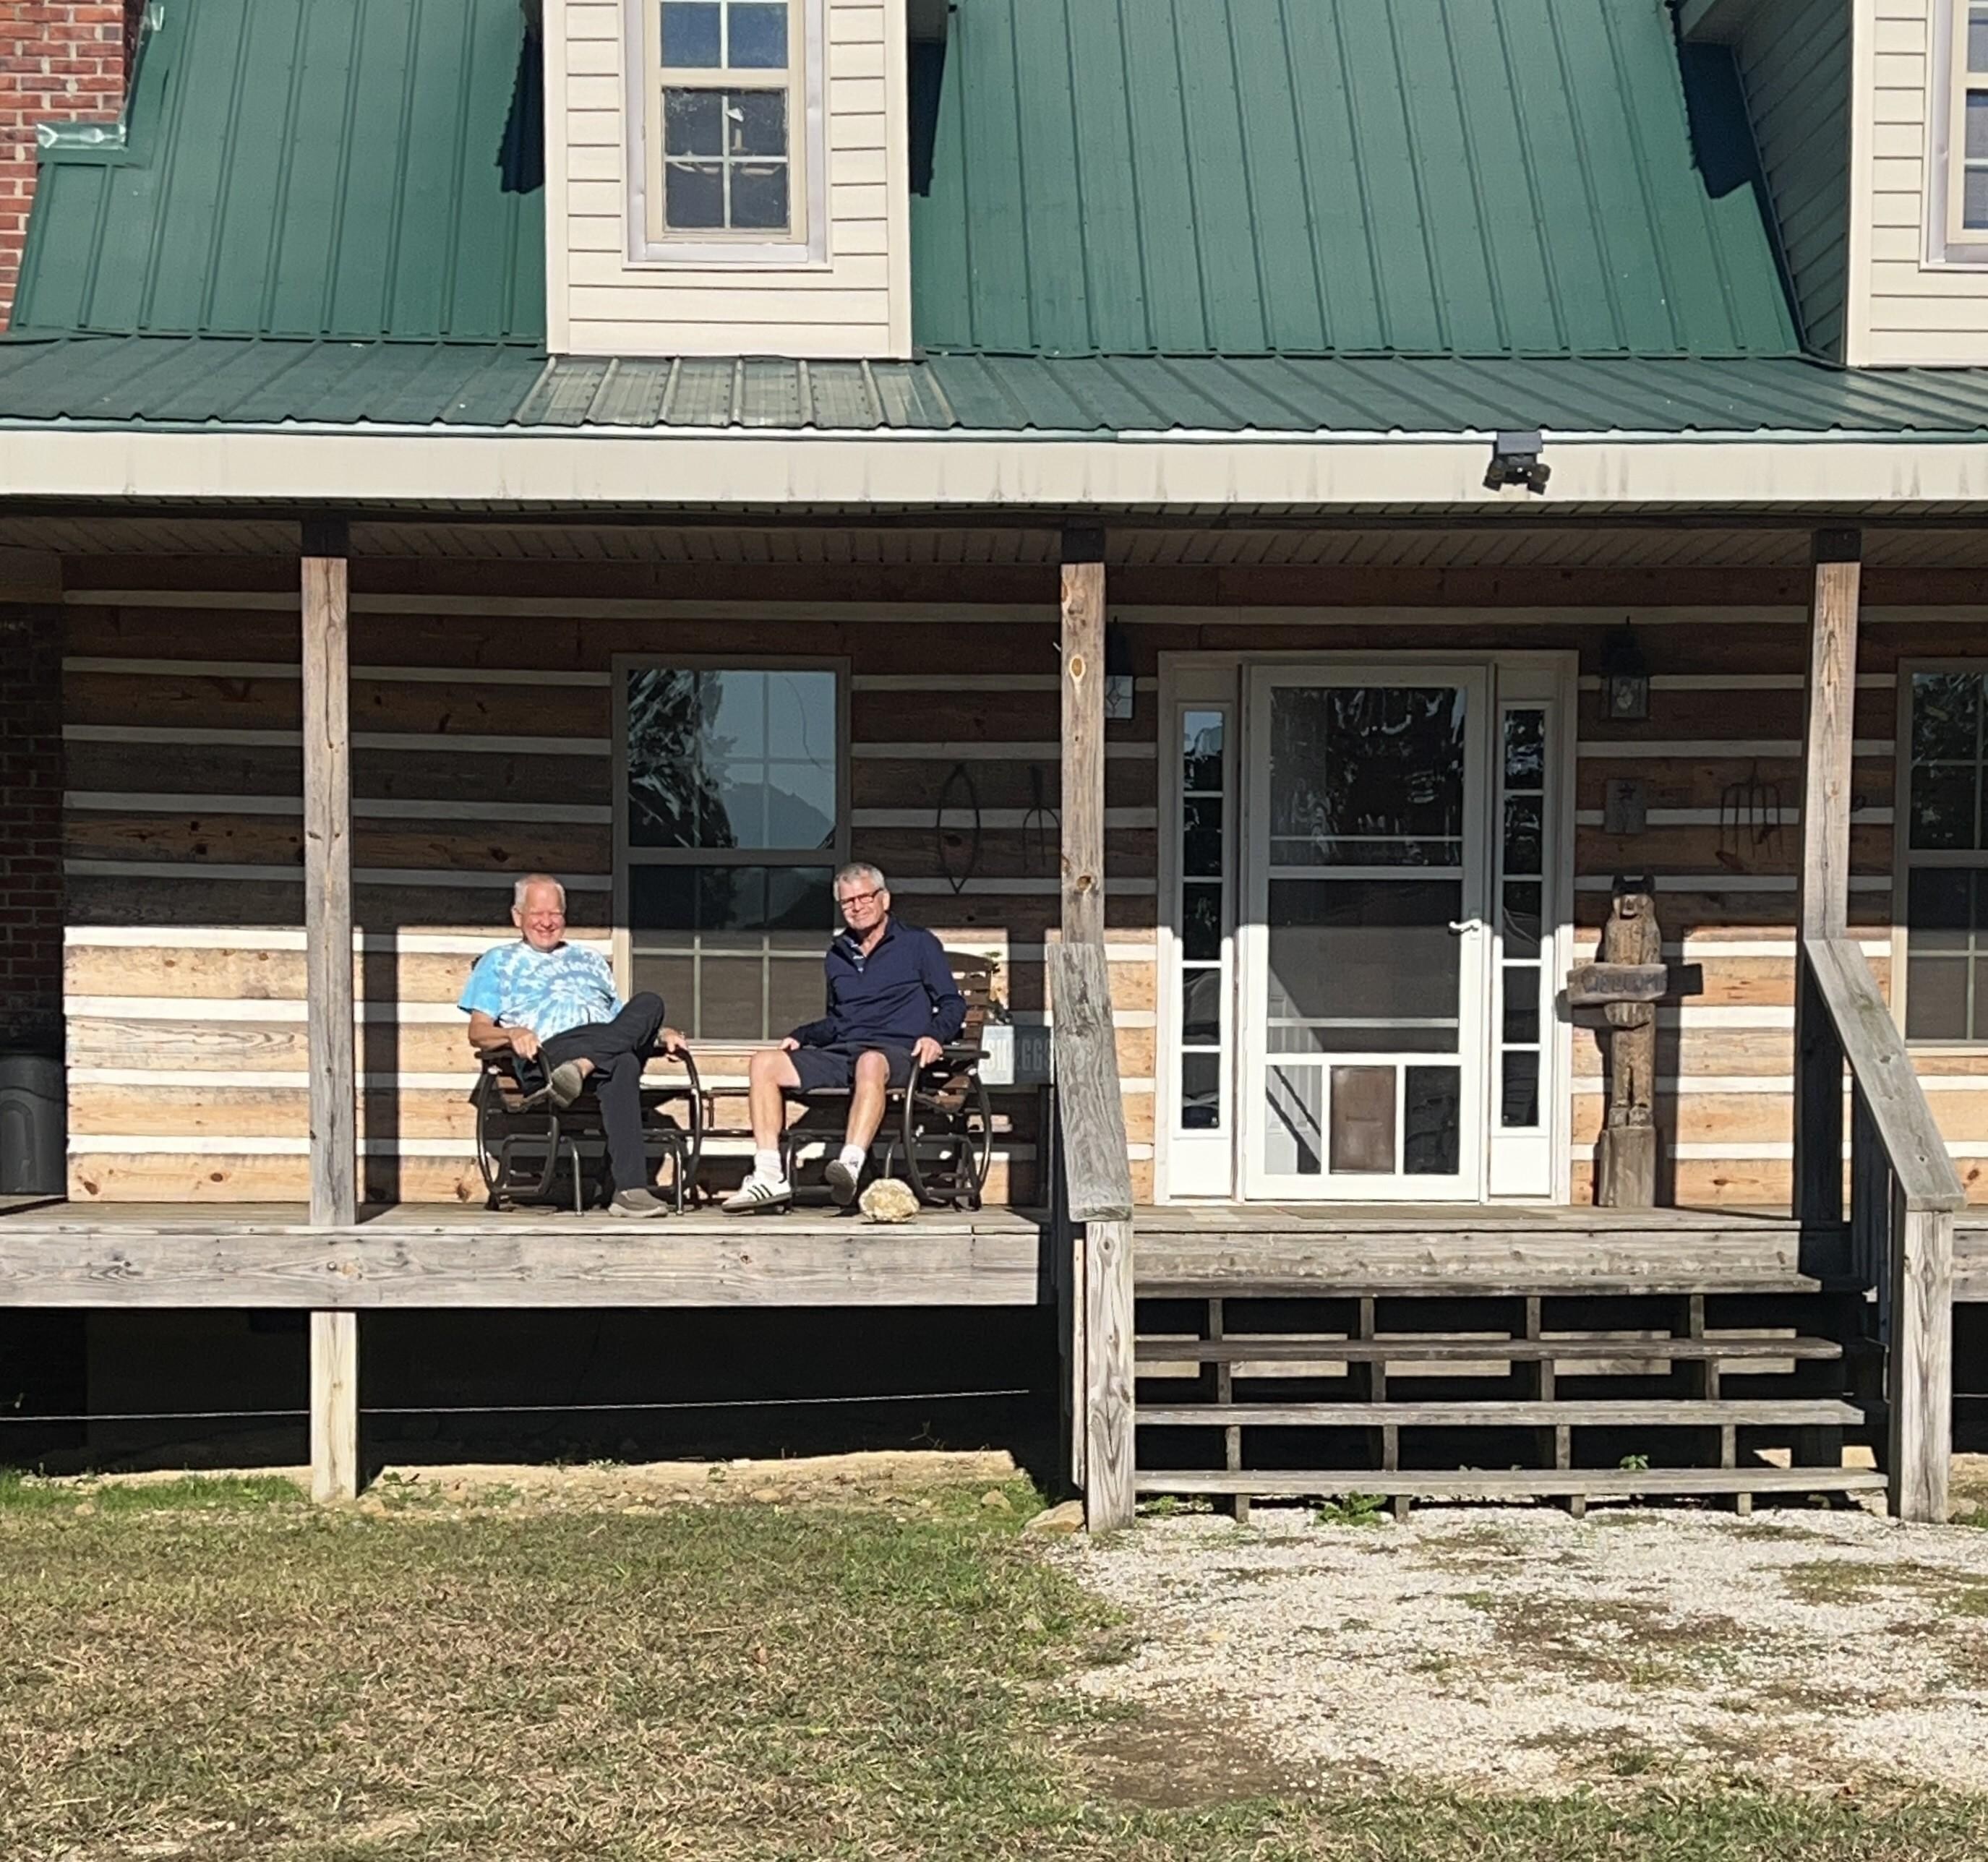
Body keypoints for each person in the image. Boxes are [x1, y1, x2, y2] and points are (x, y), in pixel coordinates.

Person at [723, 862, 965, 1213]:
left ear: (884, 899)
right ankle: (769, 1174)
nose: (857, 907)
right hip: (843, 1053)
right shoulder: (837, 954)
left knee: (870, 1062)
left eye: (864, 897)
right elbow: (838, 1021)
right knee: (765, 1063)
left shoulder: (917, 943)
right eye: (847, 901)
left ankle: (849, 1164)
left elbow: (951, 1003)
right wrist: (803, 1036)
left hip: (897, 1054)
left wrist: (934, 1036)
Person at [460, 873, 686, 1219]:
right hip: (548, 1056)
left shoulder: (591, 960)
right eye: (537, 913)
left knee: (649, 1005)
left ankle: (584, 1069)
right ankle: (629, 1188)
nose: (547, 922)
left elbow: (621, 1019)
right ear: (517, 917)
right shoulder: (498, 962)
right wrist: (511, 1034)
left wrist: (660, 1032)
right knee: (623, 1059)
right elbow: (477, 1032)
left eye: (556, 913)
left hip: (595, 1053)